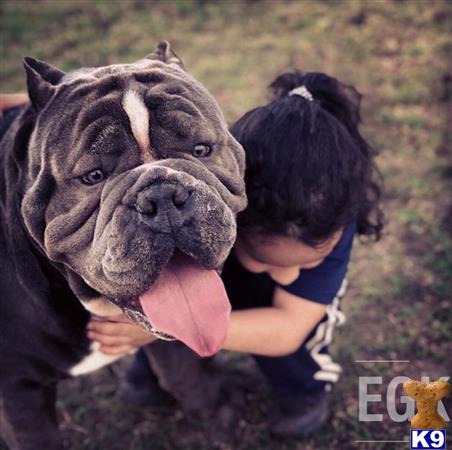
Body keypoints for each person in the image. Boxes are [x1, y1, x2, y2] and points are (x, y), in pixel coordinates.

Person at [4, 69, 384, 436]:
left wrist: (160, 331)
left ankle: (302, 394)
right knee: (166, 292)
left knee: (294, 355)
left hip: (282, 323)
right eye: (265, 260)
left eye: (307, 264)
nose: (286, 274)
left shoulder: (327, 225)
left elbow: (287, 329)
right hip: (205, 280)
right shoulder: (230, 180)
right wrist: (52, 105)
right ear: (245, 193)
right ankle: (146, 379)